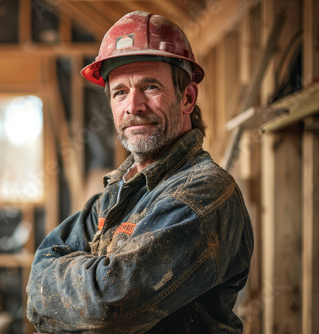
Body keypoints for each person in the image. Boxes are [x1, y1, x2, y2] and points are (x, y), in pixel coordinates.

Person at [26, 11, 254, 333]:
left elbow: (108, 309)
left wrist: (80, 286)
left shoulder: (203, 194)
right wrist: (87, 283)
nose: (133, 106)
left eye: (149, 87)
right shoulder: (119, 191)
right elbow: (38, 278)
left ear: (187, 98)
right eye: (120, 92)